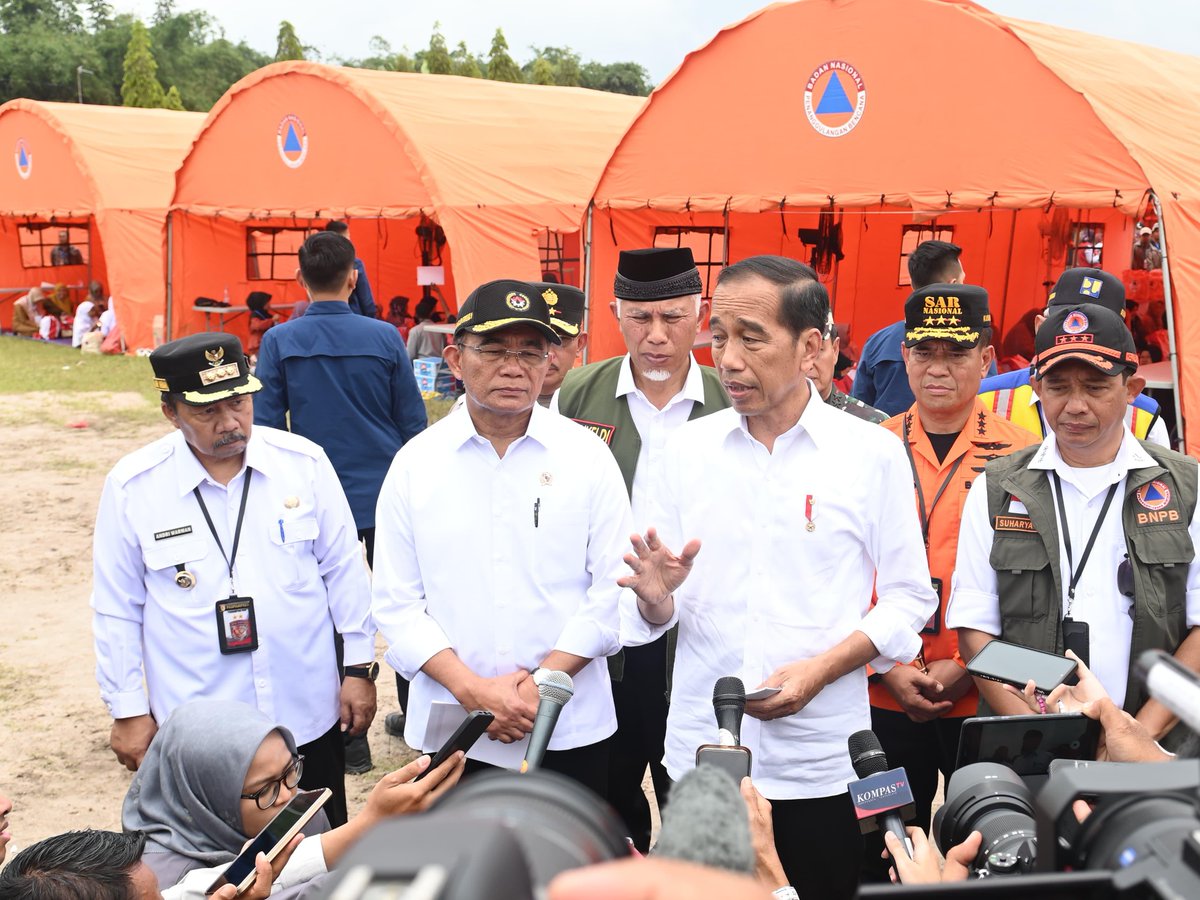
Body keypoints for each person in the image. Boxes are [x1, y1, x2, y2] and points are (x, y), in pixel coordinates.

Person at [621, 255, 938, 899]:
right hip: (703, 752)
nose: (728, 360)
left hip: (822, 759)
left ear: (810, 346)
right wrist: (656, 600)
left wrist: (823, 669)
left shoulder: (869, 452)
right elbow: (652, 608)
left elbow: (910, 597)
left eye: (752, 338)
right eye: (720, 338)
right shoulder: (683, 452)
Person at [90, 332, 375, 828]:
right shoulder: (135, 486)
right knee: (209, 864)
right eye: (207, 412)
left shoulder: (302, 464)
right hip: (201, 730)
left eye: (239, 402)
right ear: (171, 412)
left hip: (305, 708)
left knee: (318, 851)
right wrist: (128, 708)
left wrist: (358, 668)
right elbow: (117, 606)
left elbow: (344, 569)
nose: (230, 423)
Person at [371, 279, 637, 798]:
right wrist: (473, 690)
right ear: (455, 358)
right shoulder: (416, 465)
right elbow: (397, 605)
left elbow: (614, 591)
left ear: (549, 361)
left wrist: (542, 685)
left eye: (531, 352)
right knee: (463, 875)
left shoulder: (586, 457)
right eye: (493, 350)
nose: (513, 367)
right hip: (455, 730)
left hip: (568, 723)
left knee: (568, 873)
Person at [949, 303, 1200, 748]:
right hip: (1026, 750)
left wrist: (1134, 737)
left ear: (1132, 389)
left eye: (1097, 387)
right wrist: (1038, 735)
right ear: (1036, 389)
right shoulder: (997, 487)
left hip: (1158, 751)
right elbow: (975, 631)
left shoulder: (1185, 487)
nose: (1075, 406)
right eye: (1058, 387)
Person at [552, 247, 730, 851]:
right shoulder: (578, 395)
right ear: (614, 313)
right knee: (608, 801)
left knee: (699, 801)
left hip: (702, 635)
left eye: (674, 319)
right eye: (639, 319)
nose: (656, 337)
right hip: (611, 637)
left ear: (700, 314)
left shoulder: (731, 397)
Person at [861, 283, 1037, 881]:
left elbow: (1027, 588)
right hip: (882, 692)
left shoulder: (1022, 458)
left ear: (986, 359)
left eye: (956, 353)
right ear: (903, 356)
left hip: (986, 695)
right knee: (881, 844)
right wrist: (888, 666)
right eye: (924, 352)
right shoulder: (867, 451)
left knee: (986, 847)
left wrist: (966, 663)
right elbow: (844, 573)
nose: (938, 368)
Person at [254, 231, 427, 774]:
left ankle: (347, 737)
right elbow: (412, 423)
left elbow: (265, 425)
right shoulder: (384, 337)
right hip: (383, 490)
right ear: (354, 276)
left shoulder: (280, 340)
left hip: (308, 499)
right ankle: (413, 710)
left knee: (326, 611)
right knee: (404, 601)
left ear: (300, 279)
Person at [122, 700, 465, 899]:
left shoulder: (299, 814)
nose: (289, 794)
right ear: (204, 796)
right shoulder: (153, 880)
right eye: (266, 787)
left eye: (291, 770)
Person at [979, 268, 1169, 446]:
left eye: (1100, 326)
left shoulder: (1145, 418)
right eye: (1069, 322)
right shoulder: (984, 399)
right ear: (1039, 326)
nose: (1080, 334)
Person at [853, 240, 971, 416]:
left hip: (886, 439)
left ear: (913, 285)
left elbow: (858, 410)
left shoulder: (878, 342)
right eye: (963, 281)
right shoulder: (972, 342)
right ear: (953, 285)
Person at [810, 310, 886, 423]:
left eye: (819, 349)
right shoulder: (774, 422)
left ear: (835, 350)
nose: (808, 363)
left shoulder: (872, 425)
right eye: (797, 350)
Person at [532, 281, 587, 407]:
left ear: (580, 344)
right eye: (535, 342)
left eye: (560, 340)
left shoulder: (596, 401)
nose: (549, 353)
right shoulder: (494, 404)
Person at [323, 221, 376, 318]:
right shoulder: (354, 264)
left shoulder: (318, 263)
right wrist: (372, 319)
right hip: (352, 316)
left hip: (323, 317)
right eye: (348, 237)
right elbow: (366, 300)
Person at [72, 282, 107, 348]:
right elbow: (88, 331)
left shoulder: (102, 299)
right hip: (82, 340)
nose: (98, 293)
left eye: (99, 291)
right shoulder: (88, 303)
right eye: (96, 291)